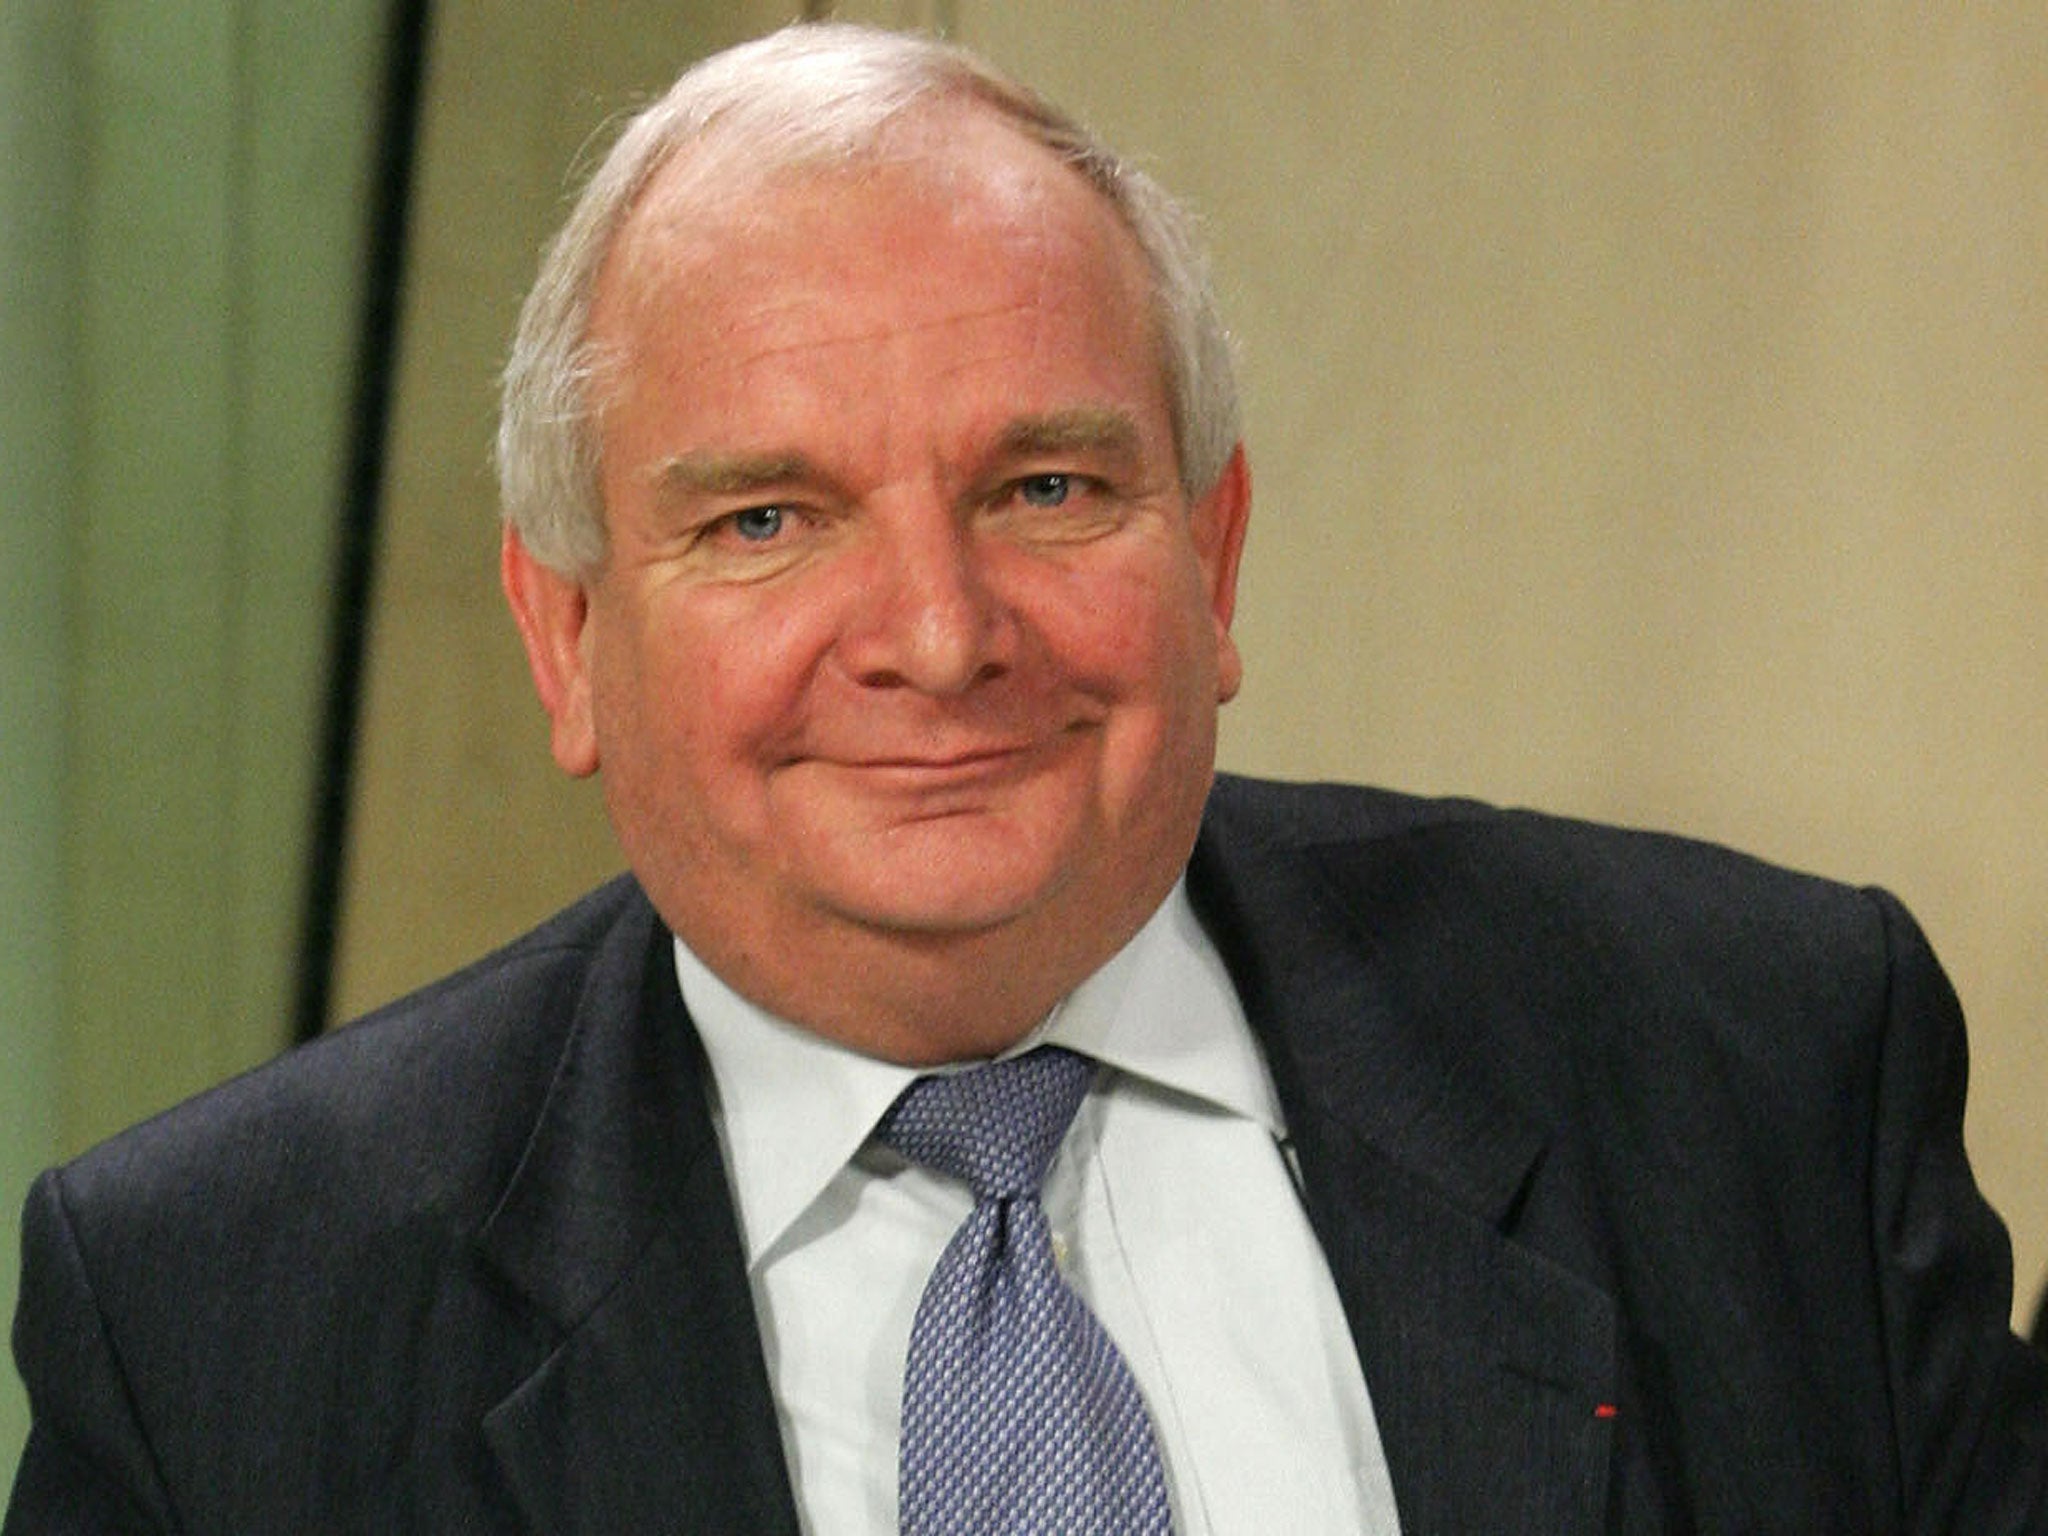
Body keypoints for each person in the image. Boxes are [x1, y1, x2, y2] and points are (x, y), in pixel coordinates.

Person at [6, 21, 2046, 1535]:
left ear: (1213, 557)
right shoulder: (227, 1325)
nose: (939, 633)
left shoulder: (1754, 1072)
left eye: (1046, 487)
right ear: (566, 640)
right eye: (765, 523)